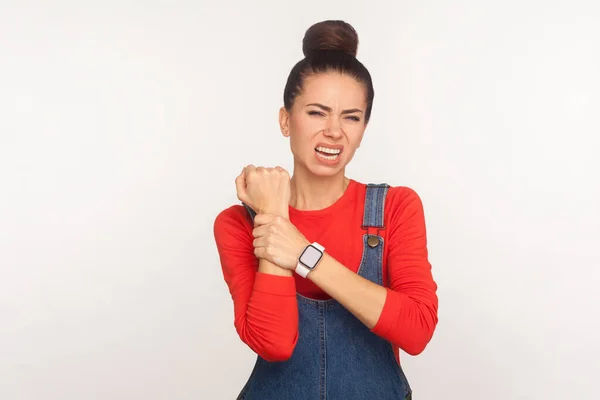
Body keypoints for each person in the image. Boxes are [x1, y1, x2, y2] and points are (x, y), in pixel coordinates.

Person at [213, 20, 438, 400]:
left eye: (351, 117)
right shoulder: (239, 223)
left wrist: (303, 254)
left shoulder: (396, 208)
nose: (334, 131)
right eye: (317, 112)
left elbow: (417, 331)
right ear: (286, 120)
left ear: (364, 128)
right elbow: (274, 343)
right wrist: (273, 217)